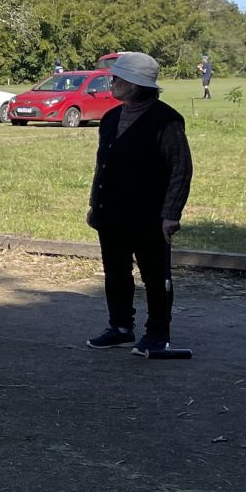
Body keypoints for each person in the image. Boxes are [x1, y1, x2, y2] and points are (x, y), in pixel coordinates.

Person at [84, 51, 194, 357]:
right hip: (112, 213)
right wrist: (95, 204)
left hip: (149, 216)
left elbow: (180, 169)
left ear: (134, 84)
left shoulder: (166, 120)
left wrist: (171, 214)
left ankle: (158, 334)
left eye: (117, 78)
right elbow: (102, 165)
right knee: (115, 273)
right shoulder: (110, 118)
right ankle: (120, 328)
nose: (112, 81)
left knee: (155, 277)